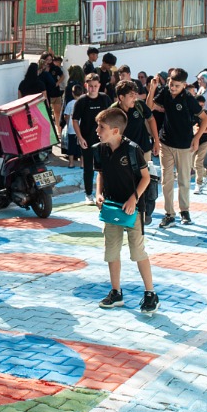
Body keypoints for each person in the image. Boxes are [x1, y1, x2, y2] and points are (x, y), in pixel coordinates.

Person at [92, 107, 158, 316]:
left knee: (137, 251)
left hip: (132, 208)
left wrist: (133, 198)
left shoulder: (132, 150)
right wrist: (98, 193)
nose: (97, 131)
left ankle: (150, 293)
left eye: (101, 127)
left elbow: (146, 178)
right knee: (111, 251)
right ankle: (116, 292)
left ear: (115, 131)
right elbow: (100, 173)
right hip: (111, 208)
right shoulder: (101, 149)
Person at [148, 68, 207, 227]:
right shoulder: (165, 93)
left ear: (183, 85)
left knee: (183, 180)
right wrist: (152, 88)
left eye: (176, 85)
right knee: (166, 180)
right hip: (166, 143)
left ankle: (185, 211)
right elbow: (149, 108)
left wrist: (197, 138)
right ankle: (169, 214)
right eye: (170, 84)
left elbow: (205, 119)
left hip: (184, 146)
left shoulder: (188, 99)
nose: (172, 88)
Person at [113, 80, 160, 224]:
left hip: (143, 150)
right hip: (123, 153)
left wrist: (156, 141)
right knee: (126, 182)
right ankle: (127, 211)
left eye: (135, 94)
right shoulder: (114, 112)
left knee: (145, 182)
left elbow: (151, 119)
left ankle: (145, 213)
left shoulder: (139, 106)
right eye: (131, 95)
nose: (135, 98)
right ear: (121, 97)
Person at [70, 71, 112, 200]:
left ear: (99, 85)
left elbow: (111, 117)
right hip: (87, 139)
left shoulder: (105, 98)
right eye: (90, 86)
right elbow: (75, 120)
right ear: (85, 86)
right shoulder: (81, 101)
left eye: (95, 86)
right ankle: (88, 193)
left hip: (104, 139)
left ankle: (107, 192)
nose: (93, 88)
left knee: (106, 167)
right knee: (88, 168)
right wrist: (80, 137)